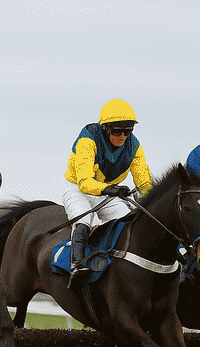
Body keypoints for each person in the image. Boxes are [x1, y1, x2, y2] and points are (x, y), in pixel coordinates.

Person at [62, 98, 153, 287]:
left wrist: (152, 201)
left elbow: (144, 181)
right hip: (77, 188)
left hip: (107, 193)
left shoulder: (134, 145)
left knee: (128, 221)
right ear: (105, 128)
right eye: (117, 131)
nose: (122, 136)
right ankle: (77, 265)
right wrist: (110, 189)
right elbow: (85, 181)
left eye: (127, 131)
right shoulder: (87, 140)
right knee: (84, 220)